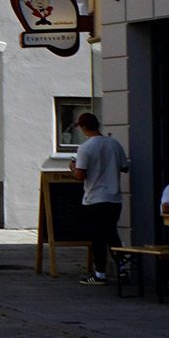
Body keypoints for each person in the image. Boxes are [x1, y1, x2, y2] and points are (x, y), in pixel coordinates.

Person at [72, 112, 128, 285]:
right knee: (112, 234)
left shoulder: (85, 148)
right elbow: (124, 168)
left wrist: (72, 167)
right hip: (114, 198)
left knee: (97, 236)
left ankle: (100, 273)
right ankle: (123, 269)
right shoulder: (114, 144)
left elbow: (80, 175)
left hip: (94, 198)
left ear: (83, 128)